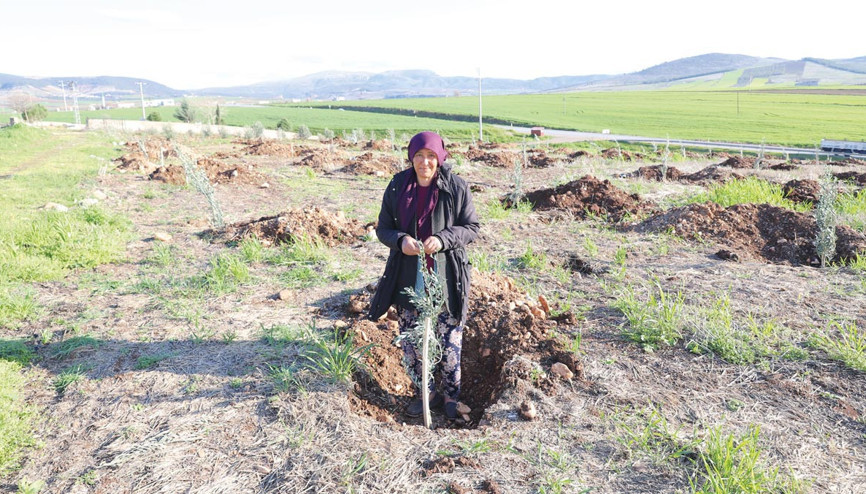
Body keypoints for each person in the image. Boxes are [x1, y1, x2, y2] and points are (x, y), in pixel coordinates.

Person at [367, 131, 479, 419]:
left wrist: (443, 239)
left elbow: (471, 228)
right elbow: (383, 228)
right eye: (419, 156)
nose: (425, 162)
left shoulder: (456, 187)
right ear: (411, 158)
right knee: (412, 343)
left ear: (440, 157)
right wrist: (401, 240)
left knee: (450, 341)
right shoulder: (397, 187)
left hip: (445, 277)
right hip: (408, 277)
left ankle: (451, 397)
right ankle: (425, 392)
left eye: (431, 156)